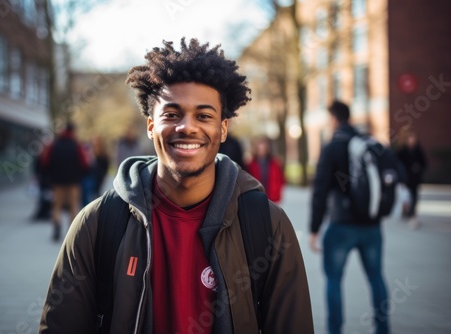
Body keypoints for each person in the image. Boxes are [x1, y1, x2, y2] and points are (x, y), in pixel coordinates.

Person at [39, 38, 313, 334]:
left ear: (222, 129)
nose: (187, 127)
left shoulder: (266, 225)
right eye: (171, 114)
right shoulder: (97, 223)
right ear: (150, 125)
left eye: (204, 116)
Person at [309, 100, 390, 334]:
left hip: (341, 225)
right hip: (371, 225)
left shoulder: (333, 147)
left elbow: (320, 191)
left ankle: (335, 330)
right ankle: (383, 329)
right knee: (376, 277)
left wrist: (314, 229)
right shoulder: (368, 143)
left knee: (334, 280)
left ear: (334, 119)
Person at [41, 122, 89, 241]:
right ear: (72, 131)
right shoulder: (76, 145)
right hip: (74, 180)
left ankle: (56, 226)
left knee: (57, 205)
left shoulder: (54, 145)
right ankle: (72, 232)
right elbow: (85, 163)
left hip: (57, 180)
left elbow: (45, 161)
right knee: (73, 205)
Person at [395, 127, 427, 229]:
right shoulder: (401, 151)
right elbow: (397, 164)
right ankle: (407, 212)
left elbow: (424, 163)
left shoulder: (418, 150)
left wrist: (418, 168)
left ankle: (412, 214)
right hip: (405, 179)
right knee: (406, 197)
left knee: (414, 196)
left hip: (415, 178)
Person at [245, 136, 286, 203]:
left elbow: (281, 179)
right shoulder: (251, 164)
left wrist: (277, 191)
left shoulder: (275, 163)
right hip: (257, 195)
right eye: (260, 148)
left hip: (272, 196)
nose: (262, 151)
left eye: (263, 148)